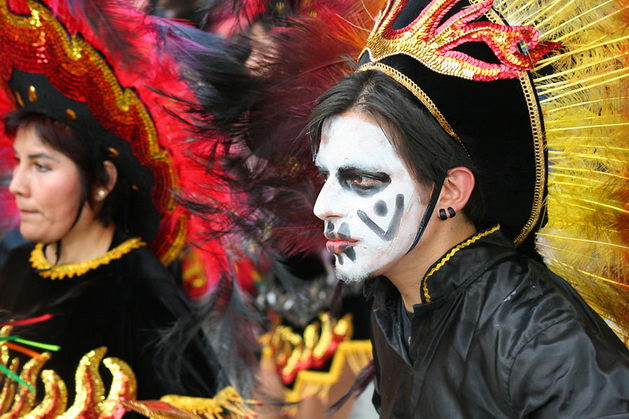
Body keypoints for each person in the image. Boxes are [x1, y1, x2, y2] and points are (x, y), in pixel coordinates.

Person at [308, 0, 629, 416]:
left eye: (363, 180)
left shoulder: (542, 340)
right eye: (325, 177)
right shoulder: (392, 301)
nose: (322, 207)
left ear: (451, 191)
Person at [0, 0, 226, 406]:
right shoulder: (18, 265)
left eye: (41, 166)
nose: (17, 185)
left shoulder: (142, 292)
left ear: (103, 180)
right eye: (19, 163)